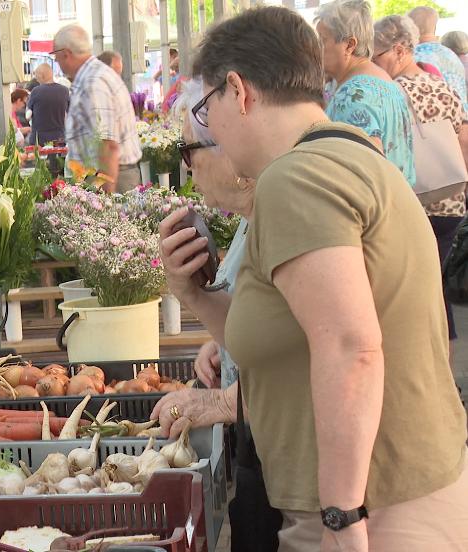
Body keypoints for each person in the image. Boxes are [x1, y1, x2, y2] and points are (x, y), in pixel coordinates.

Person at [160, 6, 468, 550]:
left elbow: (351, 346)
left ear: (239, 91)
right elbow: (288, 344)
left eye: (207, 111)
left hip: (375, 508)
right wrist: (195, 293)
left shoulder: (294, 178)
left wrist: (341, 516)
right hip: (390, 494)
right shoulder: (339, 152)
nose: (210, 135)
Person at [152, 79, 280, 552]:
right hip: (261, 444)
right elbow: (266, 321)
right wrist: (220, 330)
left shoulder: (286, 208)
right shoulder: (257, 212)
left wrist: (226, 402)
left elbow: (319, 347)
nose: (188, 171)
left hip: (288, 456)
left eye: (188, 153)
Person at [372, 15, 468, 347]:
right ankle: (445, 370)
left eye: (377, 54)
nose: (373, 62)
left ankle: (435, 371)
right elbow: (465, 137)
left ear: (400, 50)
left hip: (415, 204)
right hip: (451, 203)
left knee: (421, 292)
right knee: (434, 285)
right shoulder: (442, 85)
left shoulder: (389, 92)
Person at [316, 0, 415, 187]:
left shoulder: (353, 94)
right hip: (399, 204)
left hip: (372, 212)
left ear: (349, 45)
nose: (316, 49)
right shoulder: (385, 80)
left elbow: (364, 171)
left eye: (322, 41)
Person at [53, 24, 142, 193]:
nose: (57, 63)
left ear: (66, 54)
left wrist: (106, 198)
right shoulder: (92, 76)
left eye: (56, 58)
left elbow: (107, 145)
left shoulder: (93, 82)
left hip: (110, 178)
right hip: (104, 175)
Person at [409, 6, 467, 101]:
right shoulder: (451, 54)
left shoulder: (415, 57)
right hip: (460, 114)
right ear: (435, 27)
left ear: (412, 28)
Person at [27, 63, 69, 146]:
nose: (36, 79)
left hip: (39, 139)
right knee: (58, 159)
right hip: (59, 138)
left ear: (42, 76)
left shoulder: (36, 91)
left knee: (39, 159)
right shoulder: (64, 91)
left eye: (37, 77)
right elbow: (68, 114)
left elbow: (27, 116)